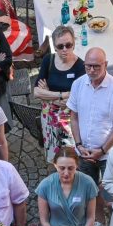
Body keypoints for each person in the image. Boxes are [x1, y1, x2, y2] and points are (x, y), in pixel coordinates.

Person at [69, 47, 113, 185]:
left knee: (112, 193)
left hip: (109, 155)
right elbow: (74, 118)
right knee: (89, 192)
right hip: (84, 152)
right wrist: (79, 145)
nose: (91, 70)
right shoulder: (78, 85)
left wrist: (102, 150)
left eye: (96, 66)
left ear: (106, 65)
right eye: (88, 66)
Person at [36, 148, 99, 226]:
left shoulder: (88, 183)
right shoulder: (45, 185)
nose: (66, 172)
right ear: (55, 165)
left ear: (77, 165)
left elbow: (91, 218)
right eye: (61, 168)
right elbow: (44, 220)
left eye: (71, 168)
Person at [33, 25, 84, 163]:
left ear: (74, 44)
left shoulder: (80, 67)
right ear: (54, 47)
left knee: (71, 156)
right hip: (49, 119)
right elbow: (37, 92)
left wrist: (48, 94)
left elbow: (79, 98)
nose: (65, 49)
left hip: (69, 120)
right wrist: (61, 95)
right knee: (54, 155)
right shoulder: (48, 60)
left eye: (68, 45)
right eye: (60, 46)